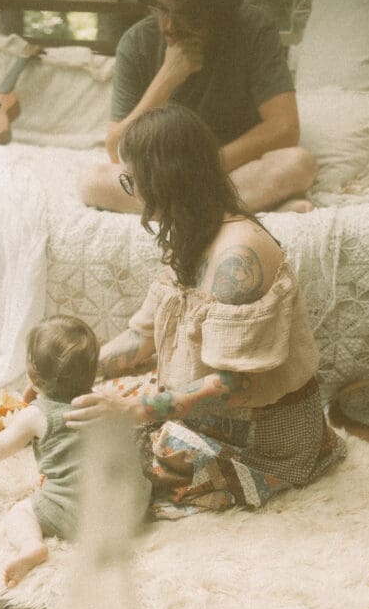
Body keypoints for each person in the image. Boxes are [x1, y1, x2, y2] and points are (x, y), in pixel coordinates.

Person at [67, 105, 345, 517]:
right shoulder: (191, 231)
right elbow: (141, 338)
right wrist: (73, 372)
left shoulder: (238, 255)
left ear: (165, 178)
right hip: (214, 412)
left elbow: (234, 384)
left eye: (132, 179)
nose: (131, 192)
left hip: (265, 435)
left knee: (108, 475)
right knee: (91, 413)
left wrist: (133, 411)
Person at [79, 0, 316, 216]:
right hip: (167, 177)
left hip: (230, 169)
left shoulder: (254, 30)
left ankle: (183, 212)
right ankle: (243, 207)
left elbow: (285, 128)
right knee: (91, 182)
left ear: (218, 10)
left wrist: (206, 168)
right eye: (162, 9)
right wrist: (166, 78)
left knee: (299, 163)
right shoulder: (137, 42)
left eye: (185, 14)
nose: (169, 26)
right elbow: (118, 152)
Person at [0, 315, 150, 587]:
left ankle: (31, 546)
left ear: (33, 376)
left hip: (82, 516)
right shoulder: (107, 403)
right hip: (129, 510)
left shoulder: (37, 415)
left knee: (20, 513)